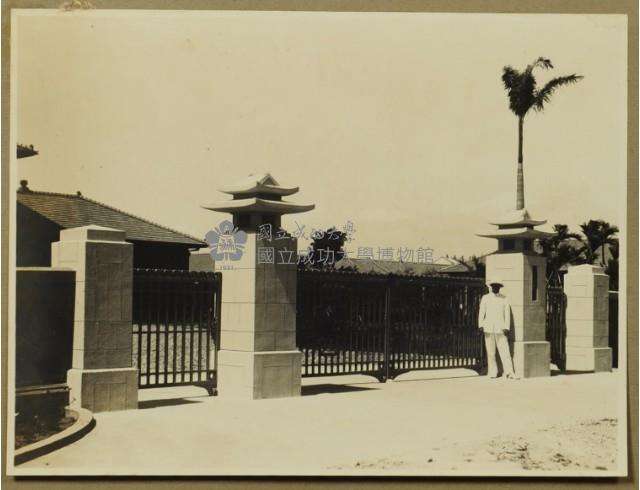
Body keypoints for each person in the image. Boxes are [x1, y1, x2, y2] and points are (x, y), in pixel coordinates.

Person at [478, 277, 519, 379]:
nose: (495, 287)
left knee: (505, 351)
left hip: (500, 329)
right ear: (491, 287)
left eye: (497, 286)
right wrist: (481, 325)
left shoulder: (504, 298)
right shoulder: (485, 298)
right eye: (493, 286)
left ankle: (509, 373)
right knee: (490, 352)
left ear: (500, 287)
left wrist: (506, 327)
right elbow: (481, 312)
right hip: (488, 328)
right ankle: (493, 372)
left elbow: (507, 314)